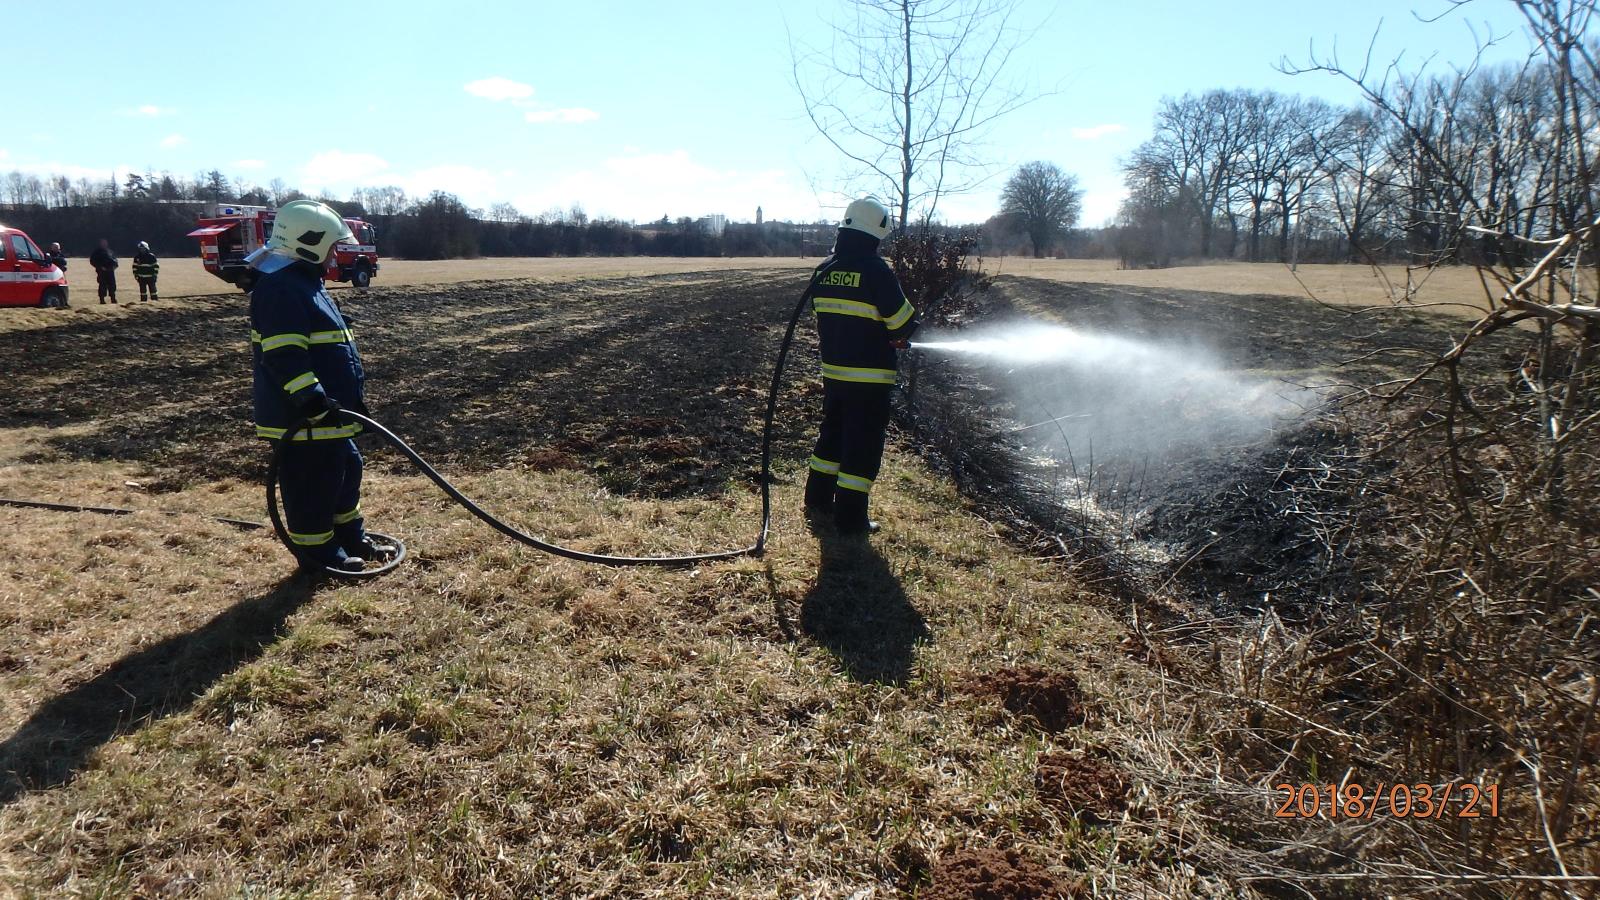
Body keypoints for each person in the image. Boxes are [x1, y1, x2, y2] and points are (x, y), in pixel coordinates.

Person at [247, 199, 379, 573]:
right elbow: (284, 355)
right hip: (304, 420)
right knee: (312, 483)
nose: (338, 254)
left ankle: (349, 537)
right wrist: (312, 399)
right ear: (311, 243)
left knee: (346, 468)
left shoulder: (308, 285)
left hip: (329, 416)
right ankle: (319, 554)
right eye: (333, 246)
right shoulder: (281, 289)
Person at [803, 198, 918, 535]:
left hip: (834, 374)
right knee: (862, 445)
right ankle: (851, 519)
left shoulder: (824, 269)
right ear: (876, 232)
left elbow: (825, 316)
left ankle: (818, 498)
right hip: (870, 379)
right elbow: (902, 324)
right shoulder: (876, 270)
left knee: (833, 436)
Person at [89, 239, 117, 304]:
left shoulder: (110, 251)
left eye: (105, 242)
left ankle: (113, 299)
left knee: (112, 285)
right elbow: (92, 261)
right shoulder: (96, 252)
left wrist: (114, 266)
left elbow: (115, 260)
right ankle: (102, 300)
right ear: (100, 243)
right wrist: (100, 267)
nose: (104, 244)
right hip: (102, 272)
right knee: (102, 285)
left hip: (110, 271)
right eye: (103, 243)